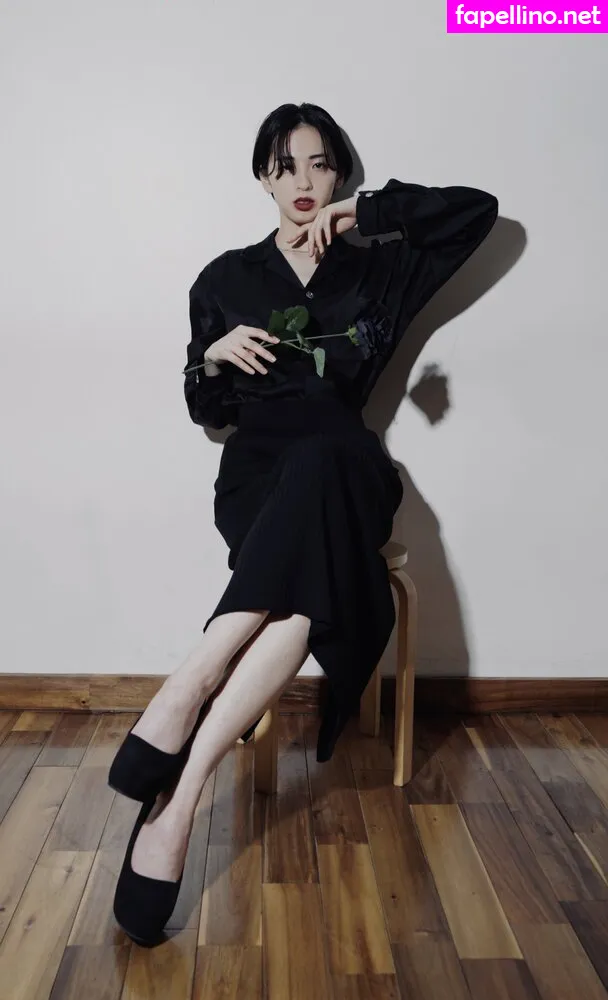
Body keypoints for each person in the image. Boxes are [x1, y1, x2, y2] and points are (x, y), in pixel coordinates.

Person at [109, 101, 499, 946]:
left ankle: (188, 695)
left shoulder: (379, 263)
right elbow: (207, 411)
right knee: (300, 599)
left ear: (340, 173)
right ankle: (179, 803)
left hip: (348, 469)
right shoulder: (225, 278)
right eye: (285, 166)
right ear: (262, 177)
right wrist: (209, 360)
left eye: (320, 164)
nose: (303, 182)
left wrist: (368, 212)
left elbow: (477, 211)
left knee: (329, 456)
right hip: (258, 477)